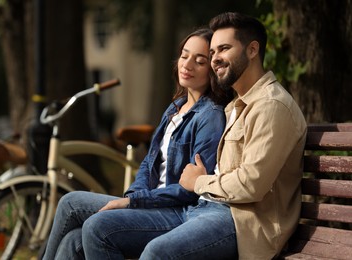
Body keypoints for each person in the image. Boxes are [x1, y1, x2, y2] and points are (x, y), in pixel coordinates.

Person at [42, 28, 232, 259]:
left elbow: (190, 189)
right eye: (184, 55)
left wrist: (135, 201)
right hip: (152, 203)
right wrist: (133, 197)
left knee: (71, 204)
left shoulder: (210, 116)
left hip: (175, 211)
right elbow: (148, 163)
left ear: (211, 70)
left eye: (199, 61)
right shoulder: (175, 108)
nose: (187, 64)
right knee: (73, 238)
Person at [179, 12, 307, 259]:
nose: (215, 59)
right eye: (213, 52)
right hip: (213, 210)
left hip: (248, 228)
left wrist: (199, 182)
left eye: (224, 49)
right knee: (89, 234)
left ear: (252, 50)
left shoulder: (271, 106)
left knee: (157, 251)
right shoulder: (237, 106)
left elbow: (251, 184)